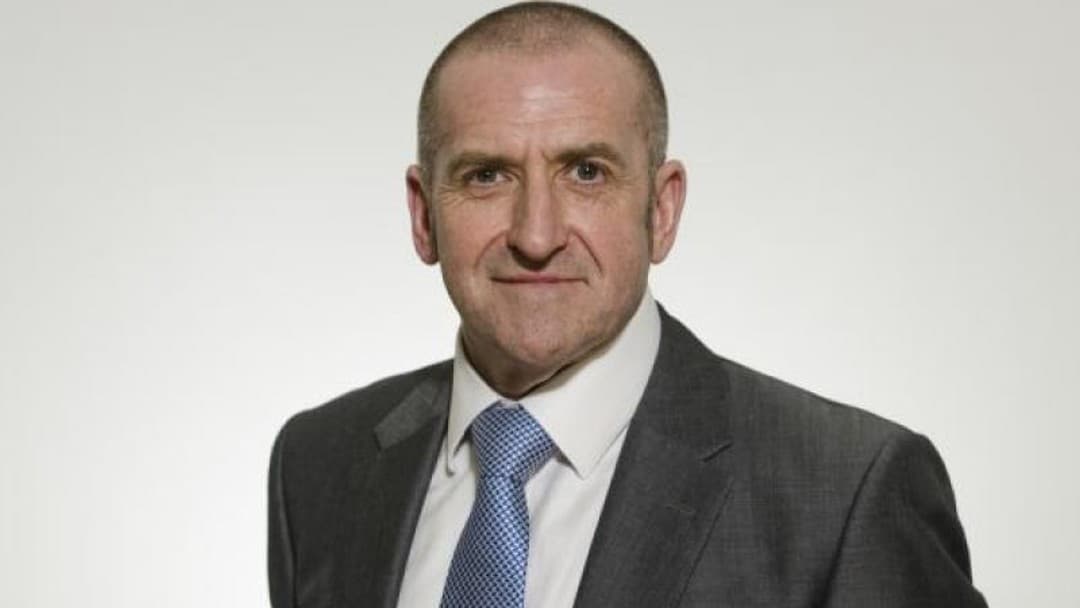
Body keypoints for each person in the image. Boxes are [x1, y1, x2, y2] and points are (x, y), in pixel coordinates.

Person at [267, 2, 987, 606]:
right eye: (487, 176)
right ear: (424, 215)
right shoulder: (319, 463)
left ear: (662, 210)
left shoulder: (846, 490)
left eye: (586, 172)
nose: (536, 235)